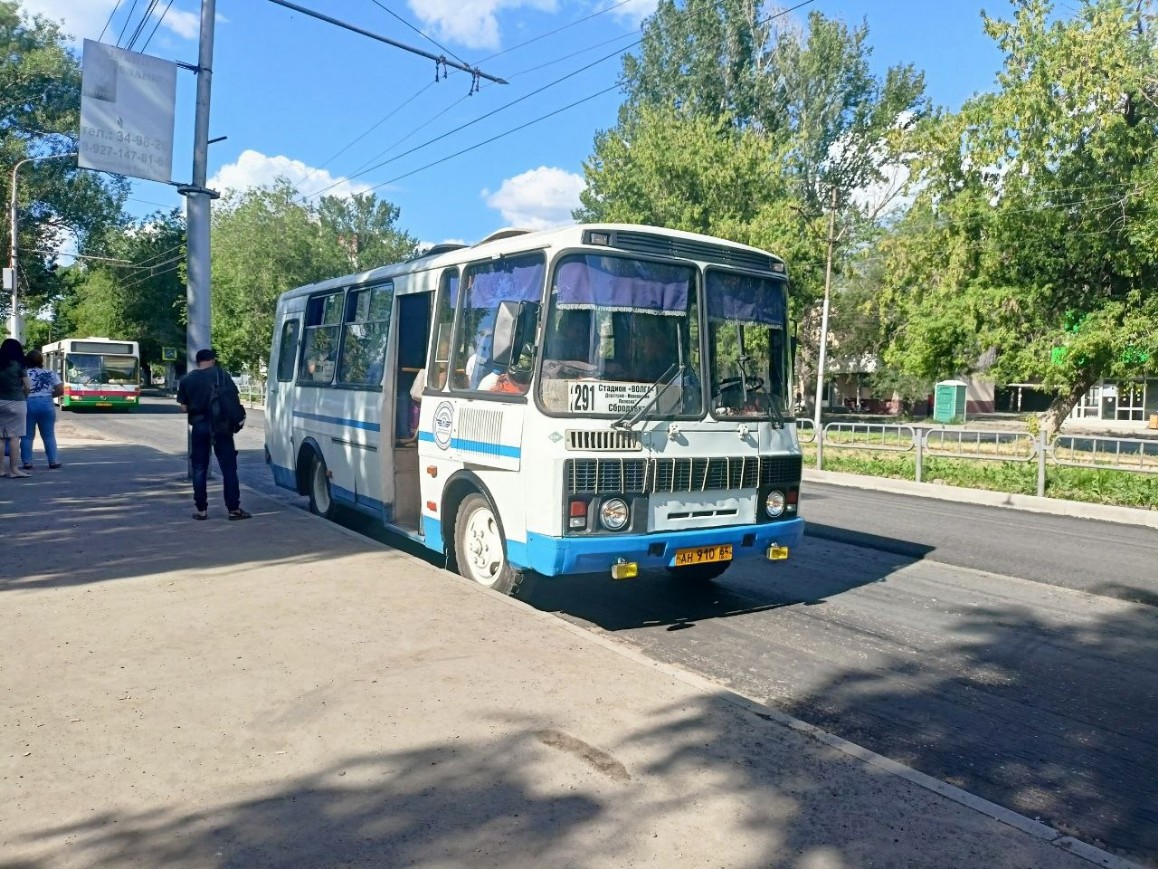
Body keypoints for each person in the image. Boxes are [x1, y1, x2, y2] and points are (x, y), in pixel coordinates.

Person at [176, 348, 251, 521]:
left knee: (199, 468)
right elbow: (234, 400)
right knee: (229, 469)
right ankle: (234, 509)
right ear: (213, 360)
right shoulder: (222, 375)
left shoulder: (187, 380)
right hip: (222, 427)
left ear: (198, 362)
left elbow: (184, 407)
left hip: (200, 427)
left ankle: (201, 510)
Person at [20, 349, 63, 470]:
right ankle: (53, 461)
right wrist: (49, 395)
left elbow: (20, 389)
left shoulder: (24, 373)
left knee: (27, 436)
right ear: (41, 361)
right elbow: (60, 390)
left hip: (28, 403)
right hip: (46, 403)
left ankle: (27, 462)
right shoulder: (50, 373)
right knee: (49, 434)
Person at [0, 338, 31, 478]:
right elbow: (28, 386)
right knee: (14, 437)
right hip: (16, 402)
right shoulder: (19, 365)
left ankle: (0, 470)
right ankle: (14, 470)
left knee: (0, 438)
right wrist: (24, 396)